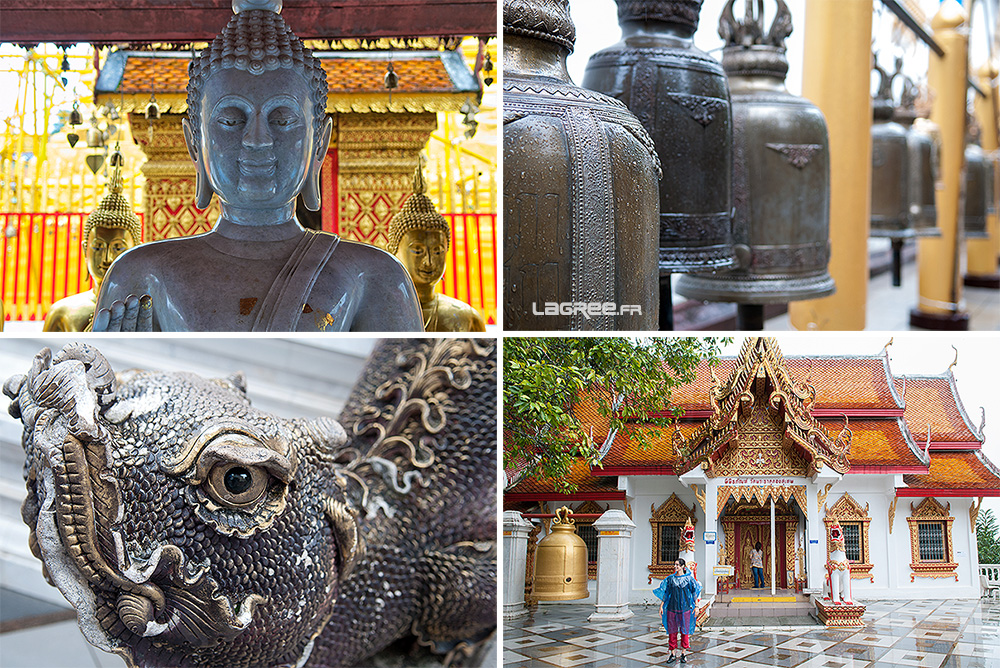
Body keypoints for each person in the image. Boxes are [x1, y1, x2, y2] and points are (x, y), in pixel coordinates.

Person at [93, 0, 421, 331]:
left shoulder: (375, 277)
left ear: (319, 142)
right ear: (195, 142)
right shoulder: (140, 276)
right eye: (231, 119)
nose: (258, 139)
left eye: (282, 119)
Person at [44, 151, 140, 332]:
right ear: (84, 250)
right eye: (98, 247)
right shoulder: (63, 312)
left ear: (135, 251)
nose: (107, 258)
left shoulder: (145, 312)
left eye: (118, 247)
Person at [387, 166, 486, 332]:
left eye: (437, 251)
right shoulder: (380, 313)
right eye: (417, 251)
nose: (428, 262)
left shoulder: (466, 317)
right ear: (394, 252)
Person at [654, 558, 702, 664]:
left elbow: (694, 593)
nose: (675, 567)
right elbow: (666, 594)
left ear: (682, 566)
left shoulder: (689, 579)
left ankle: (684, 653)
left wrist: (697, 606)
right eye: (675, 565)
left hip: (685, 609)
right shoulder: (670, 579)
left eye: (677, 565)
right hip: (672, 608)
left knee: (685, 632)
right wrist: (661, 606)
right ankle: (672, 653)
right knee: (672, 632)